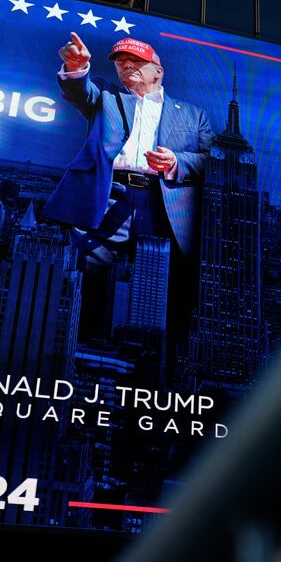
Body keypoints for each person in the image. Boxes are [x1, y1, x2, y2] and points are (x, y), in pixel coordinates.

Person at [43, 32, 213, 363]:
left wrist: (178, 161)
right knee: (87, 277)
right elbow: (80, 91)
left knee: (163, 290)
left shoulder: (194, 115)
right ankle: (76, 353)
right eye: (121, 63)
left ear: (158, 71)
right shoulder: (107, 96)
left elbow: (213, 159)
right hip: (108, 197)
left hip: (163, 205)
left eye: (136, 62)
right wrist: (76, 67)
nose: (126, 67)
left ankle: (157, 364)